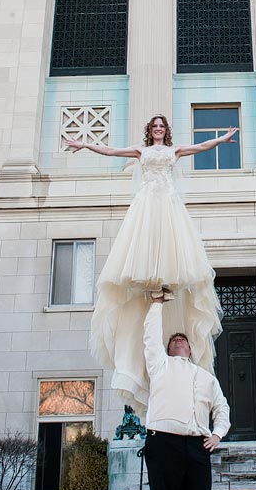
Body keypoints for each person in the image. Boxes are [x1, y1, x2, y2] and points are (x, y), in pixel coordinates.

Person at [64, 115, 237, 419]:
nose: (158, 129)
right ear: (150, 131)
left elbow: (201, 145)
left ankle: (165, 283)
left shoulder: (175, 151)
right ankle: (151, 285)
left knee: (171, 246)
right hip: (147, 204)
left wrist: (221, 140)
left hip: (168, 204)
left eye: (162, 126)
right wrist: (84, 144)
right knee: (145, 245)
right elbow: (112, 151)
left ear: (166, 131)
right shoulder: (141, 152)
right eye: (155, 126)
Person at [142, 296, 230, 490]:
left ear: (191, 348)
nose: (179, 339)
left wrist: (217, 434)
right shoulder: (160, 366)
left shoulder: (206, 378)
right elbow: (150, 337)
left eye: (183, 338)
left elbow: (222, 408)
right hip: (162, 444)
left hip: (196, 448)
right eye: (174, 339)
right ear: (168, 349)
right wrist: (157, 305)